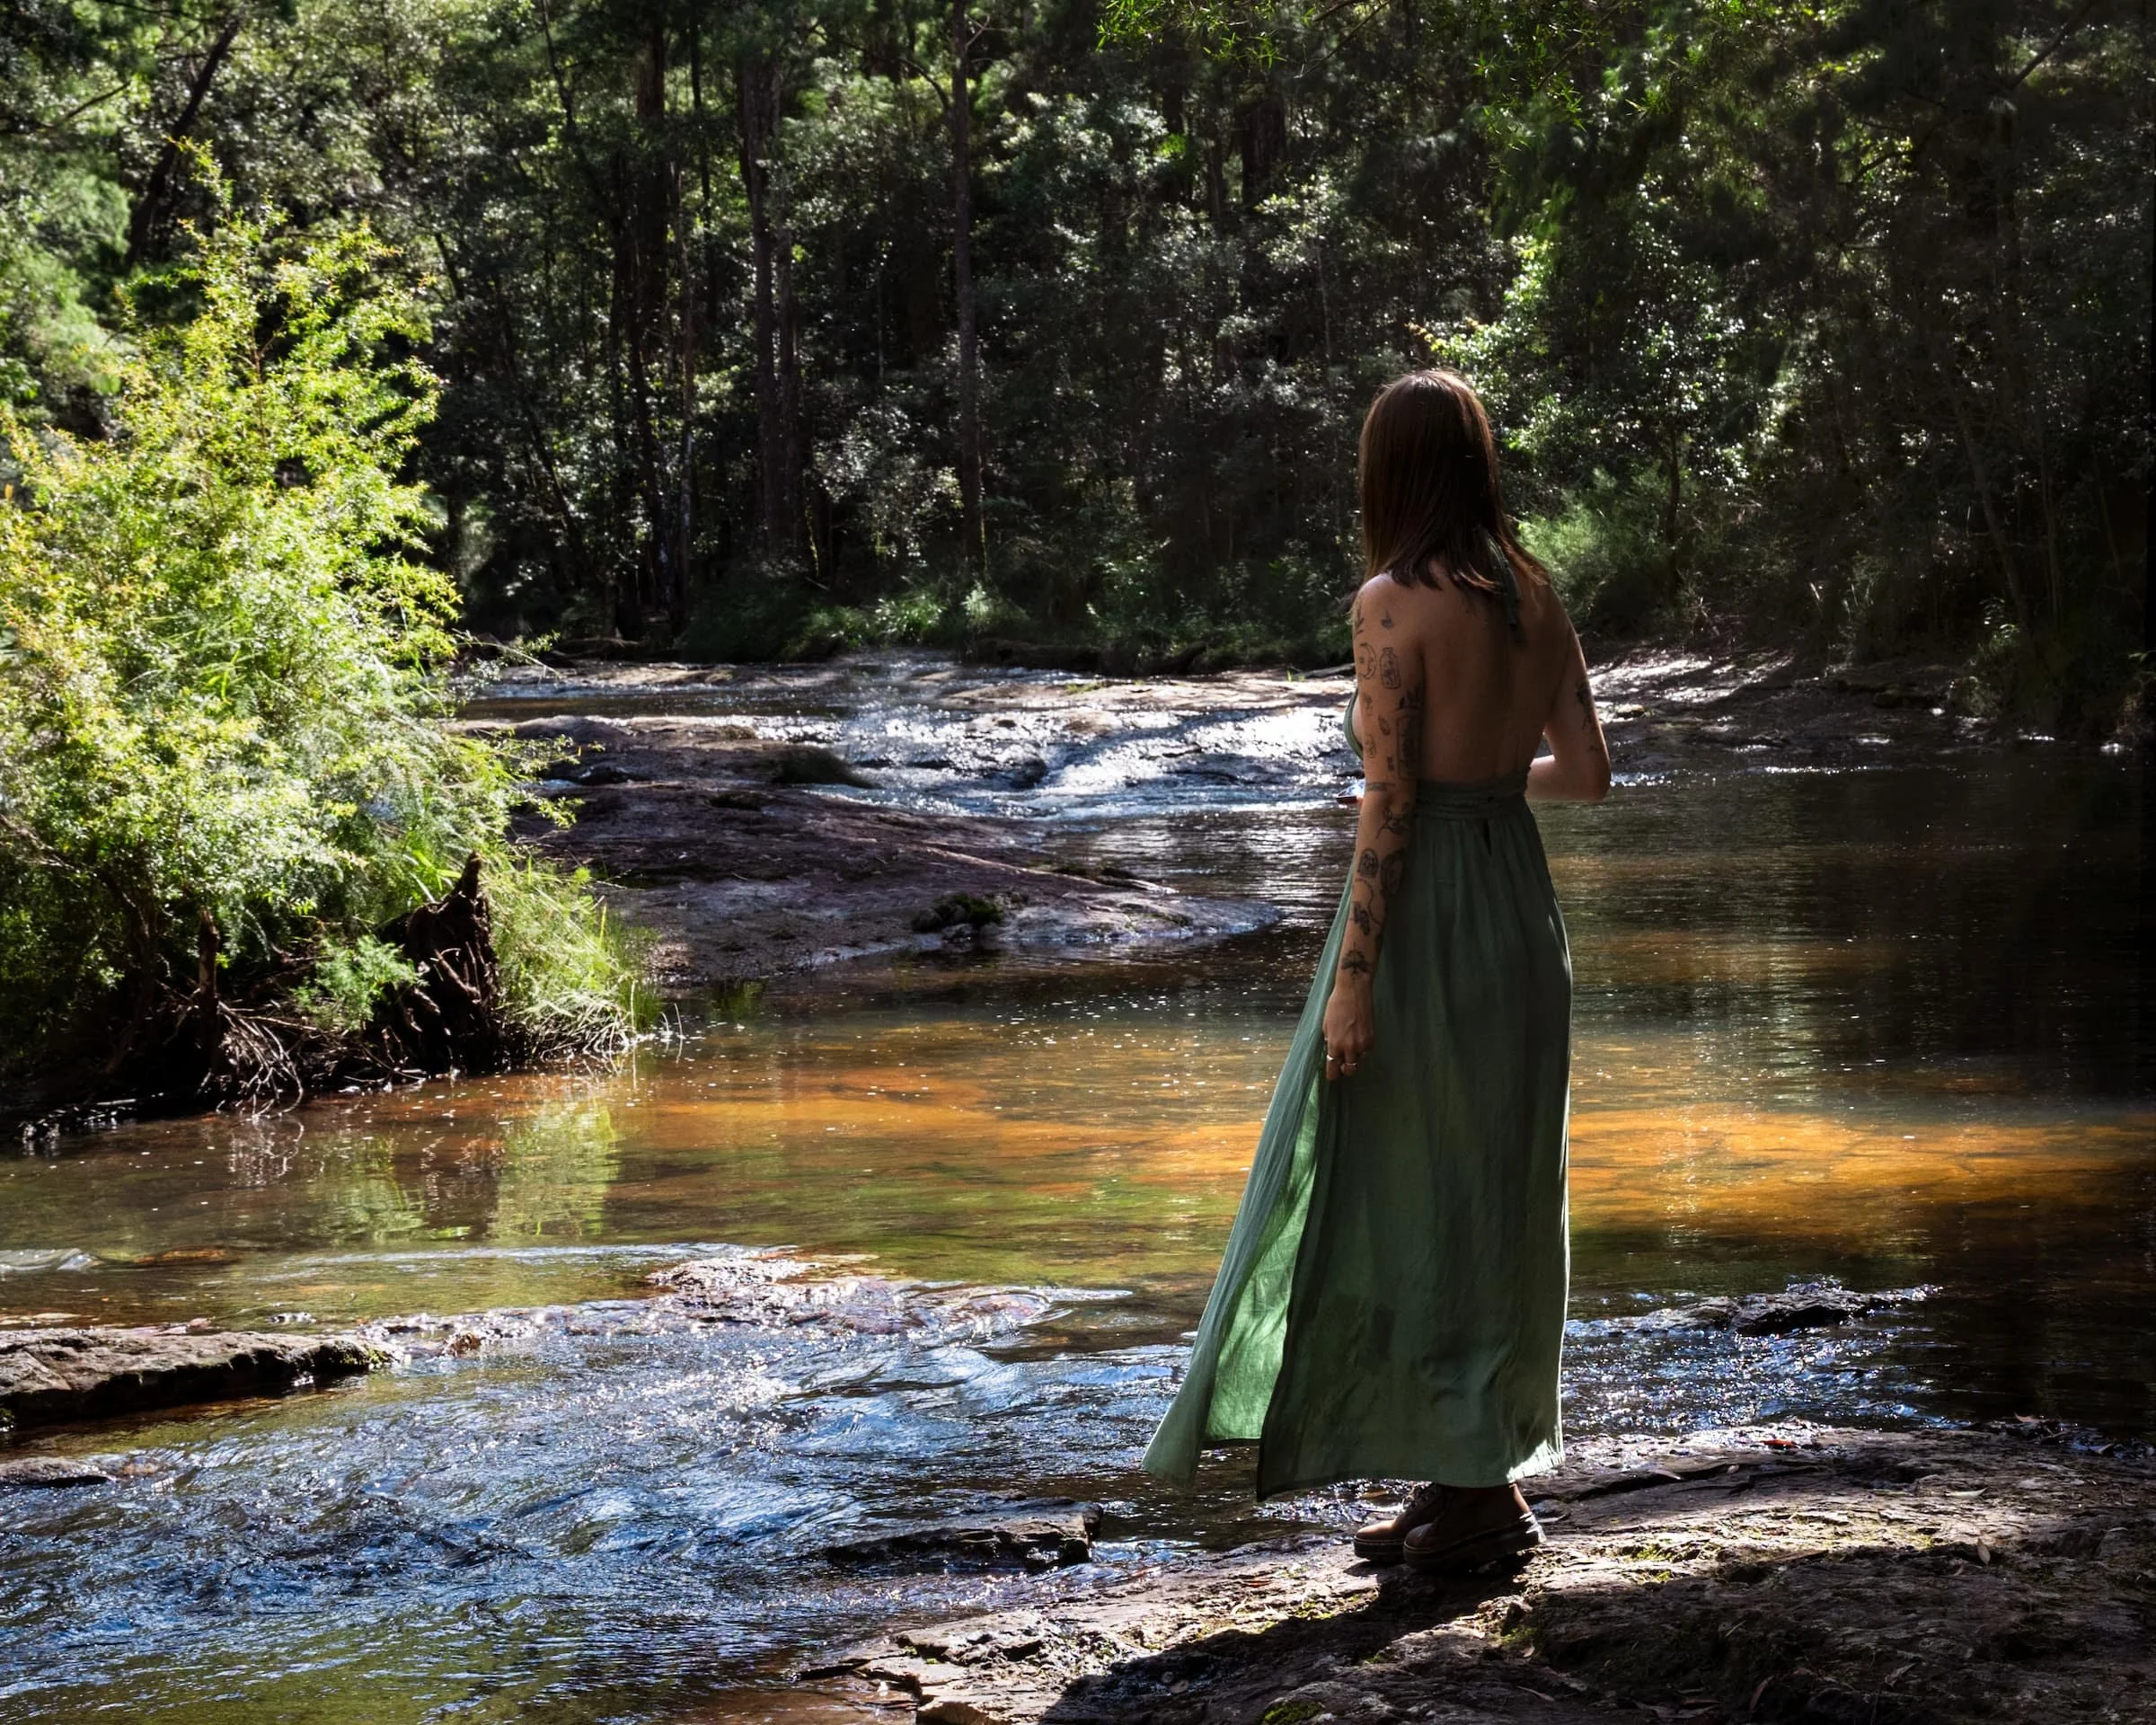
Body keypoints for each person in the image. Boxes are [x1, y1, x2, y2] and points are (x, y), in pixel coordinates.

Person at [1142, 368, 1611, 1573]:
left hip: (1428, 922)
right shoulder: (1535, 595)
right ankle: (1465, 1477)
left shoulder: (1392, 605)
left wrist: (1353, 979)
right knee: (1492, 1193)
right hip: (1518, 913)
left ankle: (1473, 1491)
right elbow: (1588, 773)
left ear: (1389, 474)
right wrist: (1489, 792)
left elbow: (1393, 805)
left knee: (1382, 1178)